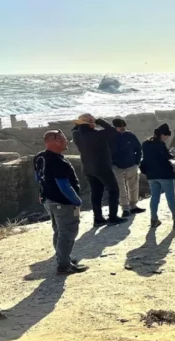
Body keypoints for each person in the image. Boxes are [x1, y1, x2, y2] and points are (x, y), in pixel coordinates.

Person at [33, 130, 88, 274]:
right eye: (64, 139)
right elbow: (64, 185)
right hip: (62, 203)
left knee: (58, 230)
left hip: (49, 200)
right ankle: (64, 265)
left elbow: (38, 177)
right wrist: (77, 201)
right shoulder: (58, 162)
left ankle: (63, 259)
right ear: (56, 141)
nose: (67, 141)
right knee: (68, 232)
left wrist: (44, 192)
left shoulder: (40, 157)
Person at [71, 113, 126, 226]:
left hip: (88, 167)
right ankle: (112, 217)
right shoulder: (97, 134)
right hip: (102, 167)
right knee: (113, 190)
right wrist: (99, 121)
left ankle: (98, 218)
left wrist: (83, 122)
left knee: (96, 193)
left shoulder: (76, 134)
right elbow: (113, 131)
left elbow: (75, 128)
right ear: (90, 124)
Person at [141, 123, 175, 228]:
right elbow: (166, 156)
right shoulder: (160, 144)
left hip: (151, 175)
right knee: (170, 198)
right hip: (164, 174)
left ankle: (154, 220)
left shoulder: (145, 144)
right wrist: (172, 154)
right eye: (166, 136)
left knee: (154, 197)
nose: (166, 139)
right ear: (162, 135)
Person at [109, 118, 145, 217]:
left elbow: (138, 148)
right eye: (120, 126)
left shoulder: (130, 135)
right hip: (116, 166)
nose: (122, 128)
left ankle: (133, 205)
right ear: (115, 127)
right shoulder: (110, 136)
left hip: (131, 164)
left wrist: (137, 162)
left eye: (123, 126)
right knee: (121, 188)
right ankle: (125, 208)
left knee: (133, 186)